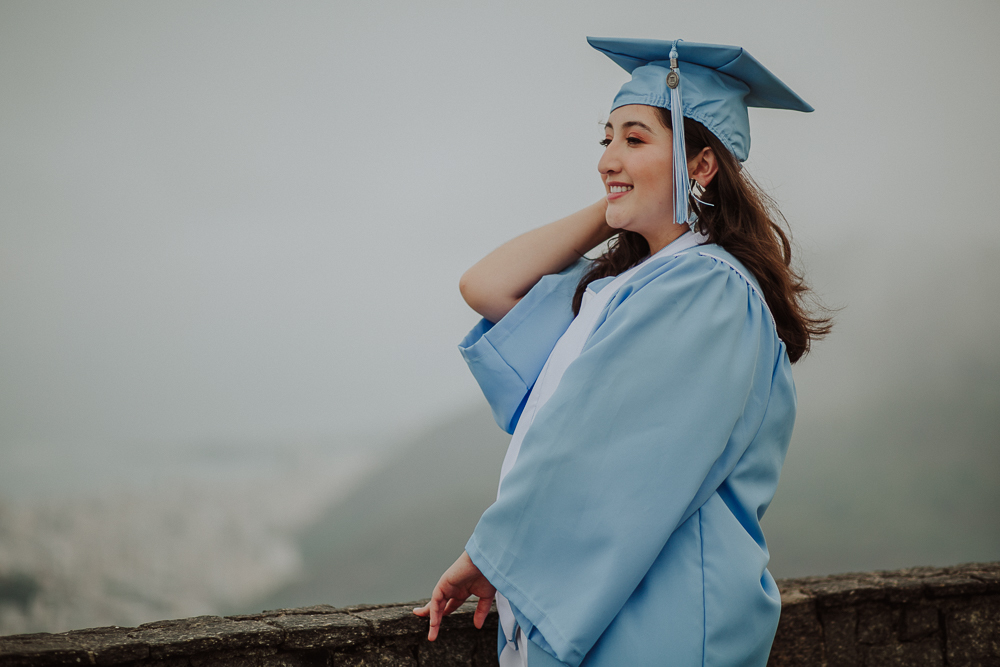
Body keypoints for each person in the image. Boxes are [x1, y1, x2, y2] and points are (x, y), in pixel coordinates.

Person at [413, 37, 830, 666]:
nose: (607, 157)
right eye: (606, 140)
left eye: (635, 139)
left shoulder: (706, 288)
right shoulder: (622, 287)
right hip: (621, 602)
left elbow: (602, 447)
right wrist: (625, 190)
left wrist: (490, 554)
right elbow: (486, 286)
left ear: (702, 164)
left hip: (663, 611)